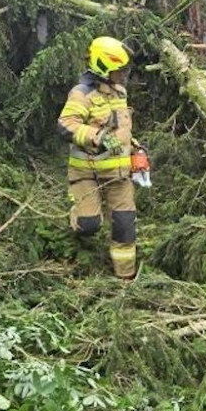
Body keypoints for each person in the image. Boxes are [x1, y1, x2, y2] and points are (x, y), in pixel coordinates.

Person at [56, 36, 140, 280]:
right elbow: (65, 125)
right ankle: (78, 214)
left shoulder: (119, 93)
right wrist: (98, 137)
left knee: (125, 225)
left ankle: (126, 278)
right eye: (118, 70)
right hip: (87, 173)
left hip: (119, 173)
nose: (122, 74)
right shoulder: (82, 94)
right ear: (103, 68)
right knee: (89, 224)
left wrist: (135, 147)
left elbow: (120, 127)